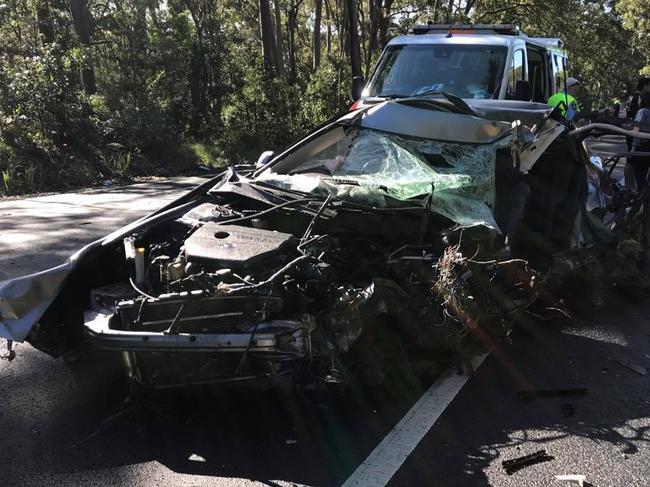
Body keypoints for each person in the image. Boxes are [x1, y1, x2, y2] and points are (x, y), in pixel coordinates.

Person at [628, 90, 650, 192]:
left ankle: (641, 199)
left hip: (643, 148)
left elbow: (636, 131)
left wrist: (633, 148)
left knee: (640, 177)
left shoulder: (643, 112)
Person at [626, 77, 650, 151]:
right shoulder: (635, 97)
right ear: (645, 86)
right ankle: (634, 146)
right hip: (637, 125)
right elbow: (630, 114)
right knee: (641, 114)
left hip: (643, 124)